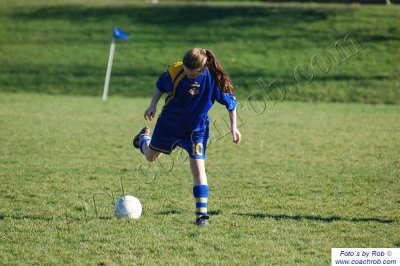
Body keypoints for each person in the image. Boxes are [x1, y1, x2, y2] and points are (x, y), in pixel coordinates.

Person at [133, 48, 241, 226]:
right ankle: (144, 138)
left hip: (196, 131)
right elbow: (160, 85)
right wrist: (152, 105)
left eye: (192, 74)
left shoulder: (213, 77)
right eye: (186, 70)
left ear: (202, 68)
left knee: (198, 170)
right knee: (150, 157)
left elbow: (231, 103)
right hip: (169, 124)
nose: (188, 75)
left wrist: (234, 127)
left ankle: (202, 216)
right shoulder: (177, 70)